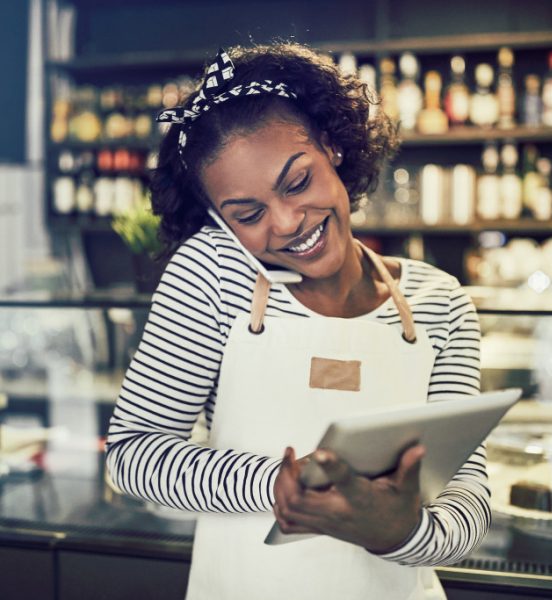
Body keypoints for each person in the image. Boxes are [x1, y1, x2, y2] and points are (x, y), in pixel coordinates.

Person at [105, 43, 489, 600]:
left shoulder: (439, 302)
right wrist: (276, 484)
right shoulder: (213, 274)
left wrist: (399, 532)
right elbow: (134, 455)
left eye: (297, 181)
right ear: (219, 220)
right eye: (249, 214)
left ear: (332, 147)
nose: (287, 222)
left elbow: (469, 505)